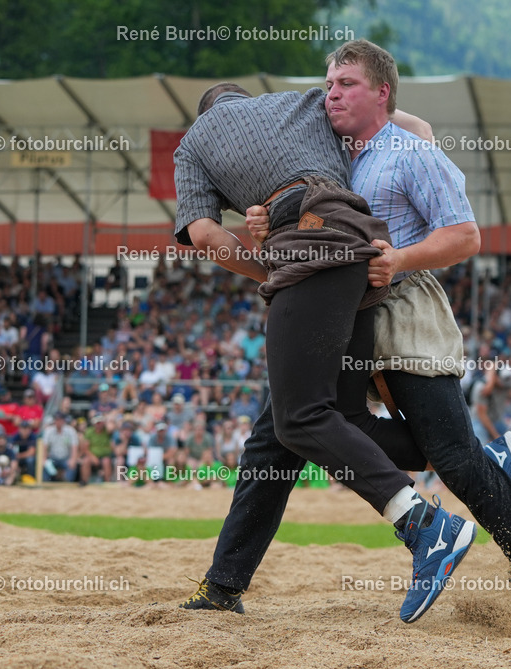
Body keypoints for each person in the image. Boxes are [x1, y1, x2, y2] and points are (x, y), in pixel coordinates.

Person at [190, 39, 511, 630]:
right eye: (329, 83)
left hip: (402, 308)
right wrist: (262, 219)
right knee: (277, 443)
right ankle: (223, 586)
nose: (332, 93)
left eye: (346, 83)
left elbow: (465, 236)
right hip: (336, 309)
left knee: (451, 455)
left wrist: (400, 259)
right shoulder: (324, 146)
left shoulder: (412, 154)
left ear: (382, 93)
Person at [173, 73, 476, 623]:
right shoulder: (305, 101)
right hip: (359, 245)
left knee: (299, 417)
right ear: (248, 102)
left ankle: (424, 525)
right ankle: (223, 585)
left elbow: (206, 238)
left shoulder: (194, 142)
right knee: (293, 435)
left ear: (204, 115)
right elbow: (410, 126)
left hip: (311, 248)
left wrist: (272, 265)